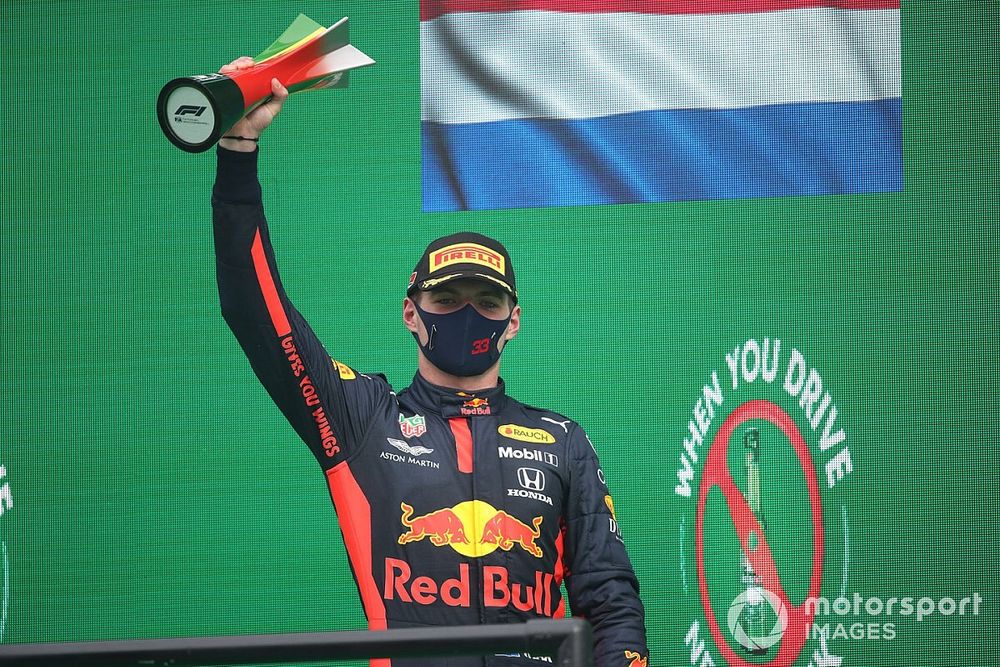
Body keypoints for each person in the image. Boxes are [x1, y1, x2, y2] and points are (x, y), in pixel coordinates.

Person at [211, 57, 649, 667]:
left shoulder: (563, 441)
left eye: (487, 301)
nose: (466, 313)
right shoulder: (362, 417)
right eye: (446, 299)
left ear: (513, 320)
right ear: (410, 313)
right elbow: (256, 312)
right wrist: (238, 149)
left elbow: (609, 596)